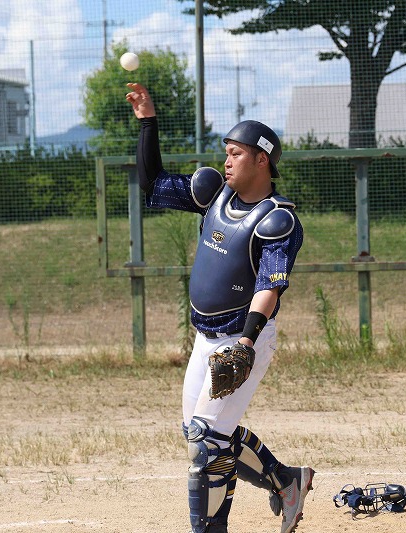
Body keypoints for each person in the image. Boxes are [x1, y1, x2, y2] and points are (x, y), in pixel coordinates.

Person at [126, 82, 314, 533]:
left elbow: (270, 287)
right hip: (204, 339)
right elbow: (153, 184)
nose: (226, 161)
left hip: (243, 339)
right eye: (226, 152)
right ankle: (286, 481)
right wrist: (148, 123)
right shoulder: (215, 194)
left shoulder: (278, 219)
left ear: (262, 159)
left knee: (208, 444)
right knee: (199, 435)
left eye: (236, 153)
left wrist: (246, 342)